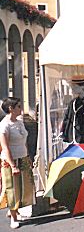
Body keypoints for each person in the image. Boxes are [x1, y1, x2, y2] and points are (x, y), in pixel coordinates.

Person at [0, 97, 35, 229]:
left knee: (24, 186)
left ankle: (16, 210)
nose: (21, 109)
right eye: (18, 106)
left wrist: (28, 156)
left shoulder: (20, 122)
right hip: (11, 160)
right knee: (12, 188)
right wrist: (13, 165)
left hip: (23, 156)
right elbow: (5, 147)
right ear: (11, 109)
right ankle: (13, 217)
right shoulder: (4, 125)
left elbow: (24, 140)